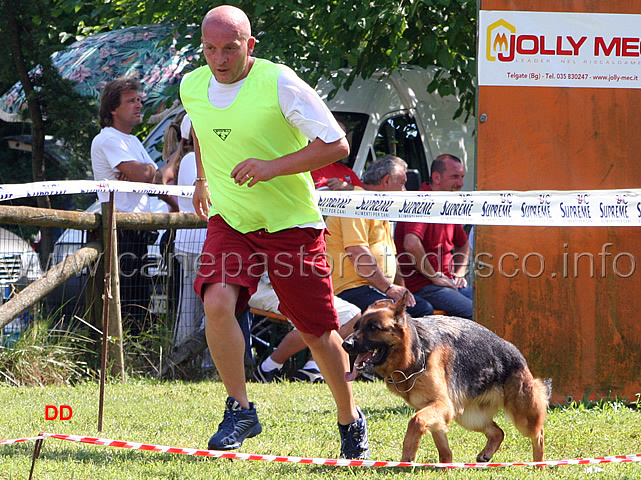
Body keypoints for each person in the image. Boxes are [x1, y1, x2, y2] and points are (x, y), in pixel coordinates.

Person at [180, 5, 368, 459]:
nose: (220, 59)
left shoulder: (278, 81)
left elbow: (337, 144)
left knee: (318, 332)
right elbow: (202, 131)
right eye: (210, 49)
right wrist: (203, 180)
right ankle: (241, 409)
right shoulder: (192, 85)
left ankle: (350, 419)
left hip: (290, 224)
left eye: (230, 48)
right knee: (217, 302)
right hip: (232, 220)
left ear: (250, 45)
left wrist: (271, 168)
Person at [91, 77, 179, 331]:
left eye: (139, 100)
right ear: (112, 109)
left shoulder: (132, 141)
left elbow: (154, 179)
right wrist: (146, 173)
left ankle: (133, 353)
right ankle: (117, 355)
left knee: (140, 298)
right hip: (118, 230)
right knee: (124, 299)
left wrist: (171, 203)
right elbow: (146, 177)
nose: (139, 105)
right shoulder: (109, 139)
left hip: (138, 230)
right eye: (131, 101)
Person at [325, 155, 434, 316]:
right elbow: (357, 253)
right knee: (419, 312)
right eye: (402, 184)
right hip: (348, 289)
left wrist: (402, 291)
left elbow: (392, 259)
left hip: (372, 288)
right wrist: (389, 288)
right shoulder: (358, 202)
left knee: (419, 308)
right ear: (387, 180)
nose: (405, 191)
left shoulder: (378, 207)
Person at [394, 153, 473, 319]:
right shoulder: (421, 201)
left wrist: (459, 273)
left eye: (462, 177)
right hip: (422, 285)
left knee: (493, 305)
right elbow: (411, 243)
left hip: (447, 282)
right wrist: (434, 276)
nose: (461, 183)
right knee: (477, 312)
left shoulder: (445, 203)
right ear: (436, 177)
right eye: (455, 177)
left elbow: (463, 244)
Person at [250, 273, 361, 383]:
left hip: (298, 286)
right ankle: (268, 367)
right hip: (266, 288)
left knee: (352, 315)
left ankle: (312, 369)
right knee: (314, 315)